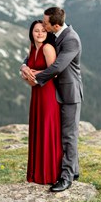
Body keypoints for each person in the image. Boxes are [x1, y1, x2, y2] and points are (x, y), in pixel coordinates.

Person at [21, 6, 83, 192]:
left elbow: (57, 67)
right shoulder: (56, 36)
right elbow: (31, 54)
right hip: (57, 92)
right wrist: (24, 66)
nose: (43, 26)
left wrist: (34, 77)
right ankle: (74, 171)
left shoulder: (71, 39)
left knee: (69, 136)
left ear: (55, 25)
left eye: (45, 23)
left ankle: (66, 179)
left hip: (69, 94)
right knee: (65, 135)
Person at [21, 19, 62, 185]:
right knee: (38, 129)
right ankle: (37, 174)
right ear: (32, 32)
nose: (39, 33)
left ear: (47, 33)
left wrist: (35, 75)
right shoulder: (32, 49)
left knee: (46, 130)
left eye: (43, 31)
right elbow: (26, 64)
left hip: (48, 94)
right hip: (36, 93)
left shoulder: (47, 48)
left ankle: (50, 174)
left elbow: (55, 72)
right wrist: (24, 70)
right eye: (36, 30)